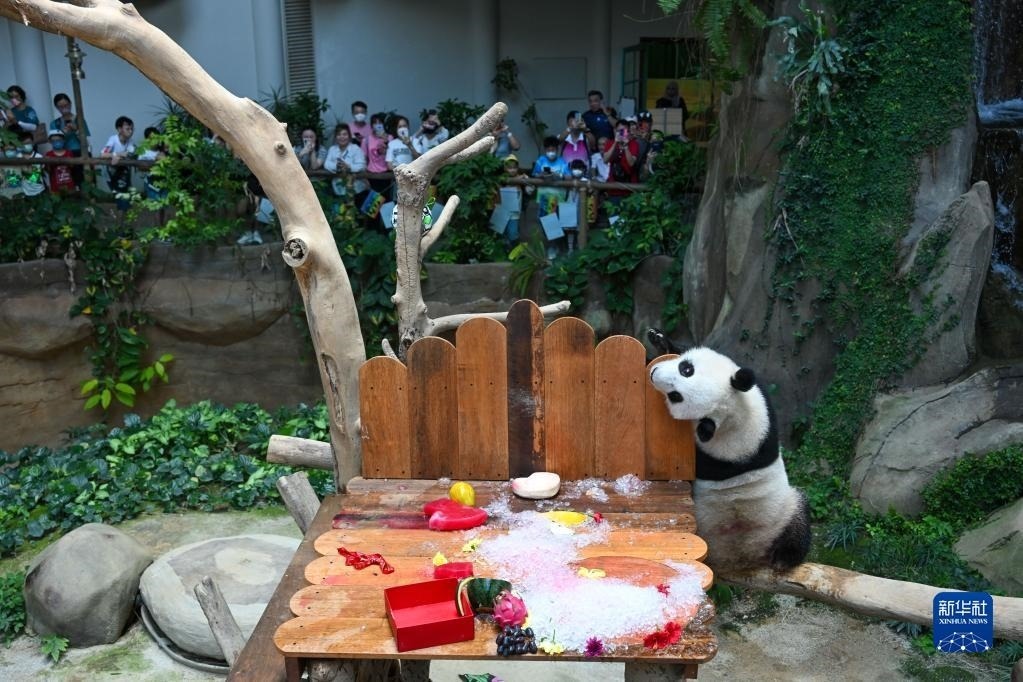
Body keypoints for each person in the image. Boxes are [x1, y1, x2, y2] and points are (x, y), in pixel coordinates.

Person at [531, 136, 570, 258]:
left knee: (554, 222)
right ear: (545, 150)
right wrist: (541, 175)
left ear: (557, 150)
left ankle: (554, 247)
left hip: (557, 197)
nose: (551, 152)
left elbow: (568, 176)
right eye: (548, 150)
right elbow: (534, 174)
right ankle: (554, 246)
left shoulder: (562, 162)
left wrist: (558, 175)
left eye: (553, 150)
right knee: (545, 222)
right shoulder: (541, 161)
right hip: (544, 197)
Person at [324, 123, 367, 198]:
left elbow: (361, 165)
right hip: (338, 189)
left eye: (344, 134)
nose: (342, 137)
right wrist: (336, 166)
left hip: (356, 190)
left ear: (349, 136)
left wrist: (349, 167)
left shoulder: (355, 149)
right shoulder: (332, 149)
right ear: (335, 137)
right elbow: (326, 164)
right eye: (339, 134)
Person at [101, 116, 136, 206]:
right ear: (119, 129)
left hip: (123, 172)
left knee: (127, 196)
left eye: (132, 129)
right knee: (120, 197)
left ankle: (123, 212)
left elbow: (130, 154)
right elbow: (103, 154)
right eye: (127, 129)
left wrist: (122, 156)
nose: (131, 131)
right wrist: (117, 154)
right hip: (111, 173)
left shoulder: (130, 141)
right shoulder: (113, 139)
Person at [602, 121, 640, 202]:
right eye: (620, 131)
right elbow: (605, 160)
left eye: (624, 131)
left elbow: (631, 163)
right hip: (613, 188)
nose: (622, 133)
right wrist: (615, 142)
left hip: (630, 189)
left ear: (628, 132)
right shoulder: (610, 143)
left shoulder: (634, 144)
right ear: (615, 131)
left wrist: (626, 146)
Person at [362, 113, 391, 195]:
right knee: (373, 200)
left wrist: (385, 140)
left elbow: (391, 155)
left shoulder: (390, 137)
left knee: (386, 199)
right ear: (371, 125)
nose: (378, 125)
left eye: (380, 122)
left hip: (386, 174)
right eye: (375, 123)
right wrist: (364, 178)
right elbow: (364, 159)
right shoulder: (366, 140)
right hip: (371, 174)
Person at [44, 128, 76, 193]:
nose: (57, 142)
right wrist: (47, 163)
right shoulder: (48, 154)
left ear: (64, 140)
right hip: (55, 188)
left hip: (69, 186)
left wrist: (69, 161)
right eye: (54, 141)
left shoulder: (69, 153)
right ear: (50, 142)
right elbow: (48, 170)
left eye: (59, 140)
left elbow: (72, 167)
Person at [16, 131, 45, 197]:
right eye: (24, 144)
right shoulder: (18, 156)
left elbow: (34, 177)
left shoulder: (38, 157)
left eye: (28, 143)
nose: (26, 145)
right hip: (25, 192)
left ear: (33, 143)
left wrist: (25, 165)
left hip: (39, 191)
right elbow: (17, 175)